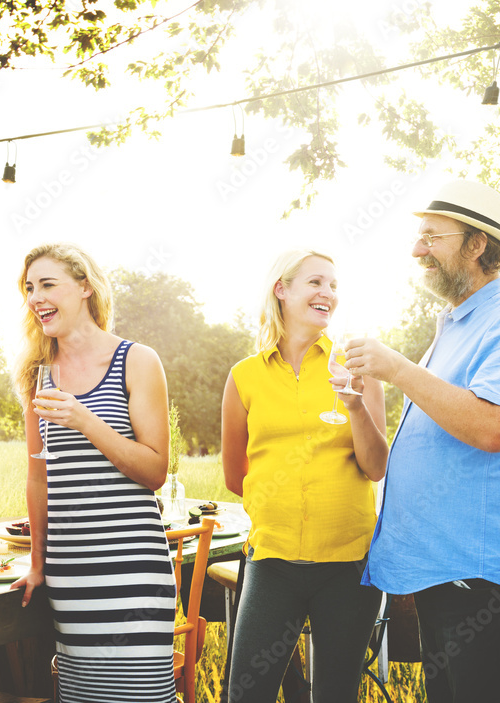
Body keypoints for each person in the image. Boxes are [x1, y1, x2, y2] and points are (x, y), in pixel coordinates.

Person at [350, 180, 500, 702]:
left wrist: (395, 367)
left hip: (476, 577)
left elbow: (490, 427)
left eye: (431, 237)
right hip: (444, 571)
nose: (417, 250)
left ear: (477, 244)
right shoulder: (458, 320)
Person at [12, 243, 176, 703]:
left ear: (84, 286)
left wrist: (84, 419)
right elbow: (37, 478)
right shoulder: (37, 375)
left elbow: (154, 470)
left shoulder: (137, 360)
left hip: (132, 567)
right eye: (29, 288)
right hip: (72, 573)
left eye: (47, 284)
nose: (35, 298)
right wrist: (39, 564)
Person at [220, 250, 387, 703]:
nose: (327, 294)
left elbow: (376, 467)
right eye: (316, 282)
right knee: (246, 693)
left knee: (337, 694)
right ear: (282, 289)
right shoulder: (244, 377)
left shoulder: (356, 367)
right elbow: (236, 474)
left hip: (348, 565)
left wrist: (353, 405)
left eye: (333, 286)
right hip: (272, 562)